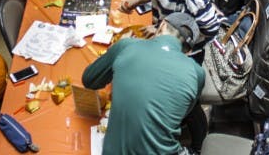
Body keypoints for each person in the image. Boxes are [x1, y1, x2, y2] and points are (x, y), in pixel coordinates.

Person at [82, 11, 206, 155]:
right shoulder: (197, 72)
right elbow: (184, 111)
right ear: (188, 51)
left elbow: (88, 80)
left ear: (162, 26)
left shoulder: (126, 45)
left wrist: (115, 52)